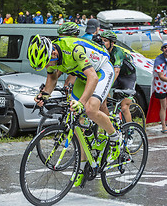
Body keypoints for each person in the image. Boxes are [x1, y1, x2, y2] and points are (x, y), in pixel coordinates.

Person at [28, 22, 121, 187]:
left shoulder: (74, 49)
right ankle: (83, 165)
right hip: (83, 76)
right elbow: (52, 78)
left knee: (90, 109)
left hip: (100, 71)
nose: (48, 65)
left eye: (48, 62)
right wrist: (44, 95)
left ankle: (115, 137)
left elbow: (92, 77)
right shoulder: (50, 56)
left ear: (54, 52)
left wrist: (82, 102)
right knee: (75, 119)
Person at [100, 30, 136, 123]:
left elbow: (116, 71)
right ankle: (111, 125)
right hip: (116, 77)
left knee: (124, 107)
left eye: (105, 40)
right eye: (101, 40)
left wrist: (107, 87)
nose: (102, 42)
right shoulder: (102, 51)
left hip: (127, 77)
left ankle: (130, 131)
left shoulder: (117, 51)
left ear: (112, 43)